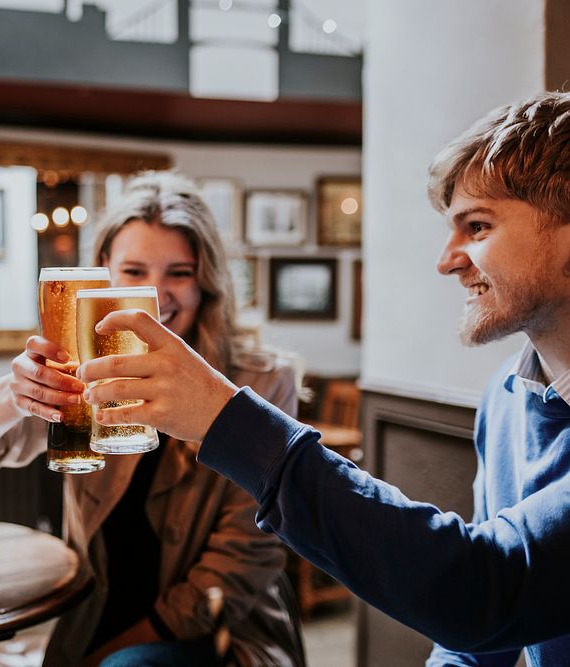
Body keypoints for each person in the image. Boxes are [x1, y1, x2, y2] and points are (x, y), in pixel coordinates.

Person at [77, 91, 570, 667]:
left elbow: (487, 585)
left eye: (477, 226)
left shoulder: (261, 376)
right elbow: (482, 639)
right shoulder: (507, 398)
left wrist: (224, 418)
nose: (446, 259)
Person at [0, 172, 305, 667]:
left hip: (218, 630)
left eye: (179, 273)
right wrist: (17, 394)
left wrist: (109, 654)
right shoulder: (83, 365)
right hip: (95, 612)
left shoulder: (263, 380)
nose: (154, 295)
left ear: (206, 280)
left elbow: (244, 558)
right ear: (103, 270)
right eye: (134, 270)